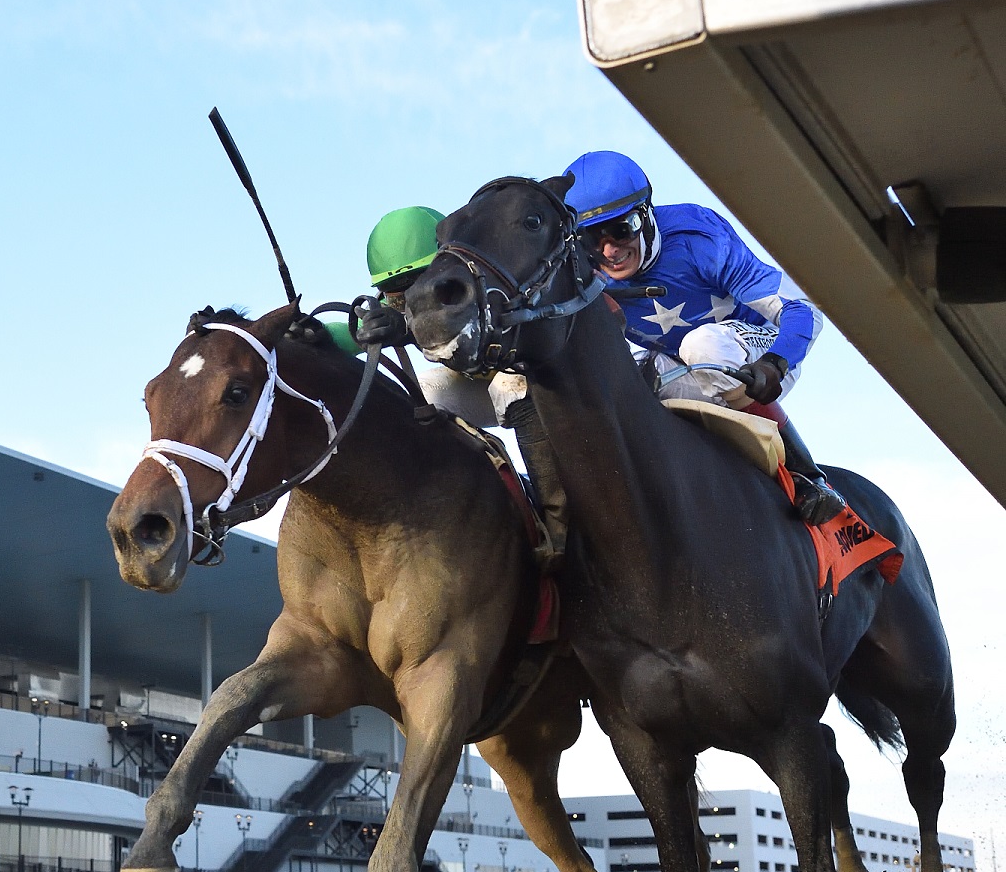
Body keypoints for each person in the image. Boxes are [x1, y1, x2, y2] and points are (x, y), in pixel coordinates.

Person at [562, 150, 845, 525]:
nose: (610, 250)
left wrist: (776, 362)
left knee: (702, 345)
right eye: (591, 238)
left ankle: (804, 473)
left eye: (622, 229)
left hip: (757, 353)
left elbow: (805, 308)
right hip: (681, 365)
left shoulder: (699, 238)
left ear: (647, 214)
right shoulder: (579, 271)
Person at [355, 205, 571, 569]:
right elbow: (355, 330)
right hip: (479, 385)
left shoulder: (487, 271)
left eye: (418, 282)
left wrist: (405, 329)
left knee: (509, 385)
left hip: (543, 381)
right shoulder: (395, 301)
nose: (409, 300)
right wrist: (310, 330)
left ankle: (560, 526)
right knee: (424, 395)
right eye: (396, 295)